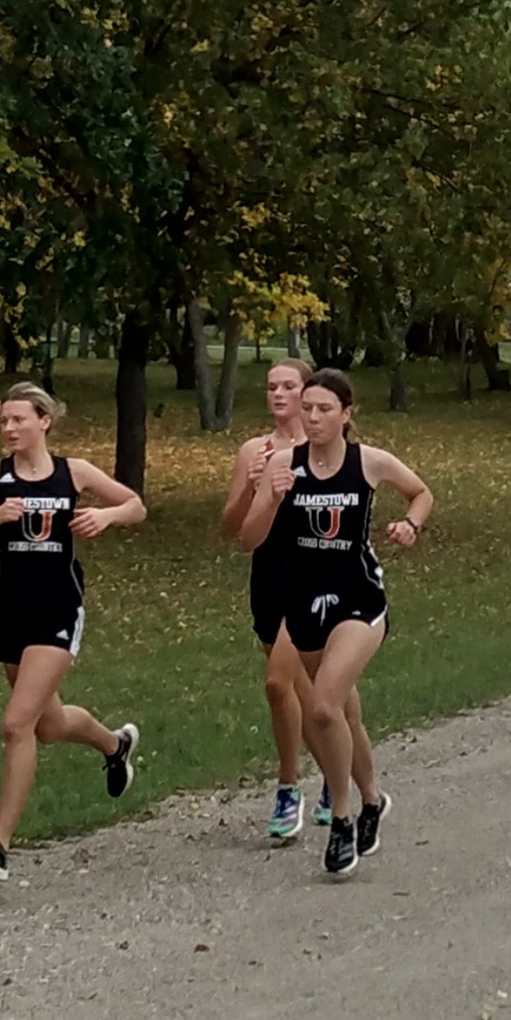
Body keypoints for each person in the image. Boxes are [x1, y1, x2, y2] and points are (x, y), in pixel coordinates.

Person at [0, 383, 147, 881]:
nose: (9, 430)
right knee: (48, 726)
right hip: (10, 611)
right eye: (3, 422)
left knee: (17, 725)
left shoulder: (73, 472)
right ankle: (115, 747)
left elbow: (136, 504)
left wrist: (107, 515)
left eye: (18, 420)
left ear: (44, 421)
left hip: (58, 610)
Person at [238, 369, 433, 879]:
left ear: (346, 414)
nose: (314, 417)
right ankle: (372, 800)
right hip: (303, 603)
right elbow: (248, 538)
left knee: (322, 706)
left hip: (359, 600)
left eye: (325, 409)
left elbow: (420, 492)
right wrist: (273, 497)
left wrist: (410, 524)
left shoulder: (369, 462)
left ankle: (341, 818)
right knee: (344, 712)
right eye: (309, 409)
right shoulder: (284, 464)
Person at [220, 359, 375, 840]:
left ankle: (297, 787)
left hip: (317, 578)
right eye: (272, 387)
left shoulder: (329, 451)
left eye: (290, 386)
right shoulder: (256, 450)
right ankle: (341, 777)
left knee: (286, 686)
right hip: (270, 575)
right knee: (321, 693)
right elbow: (232, 528)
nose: (280, 395)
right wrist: (252, 487)